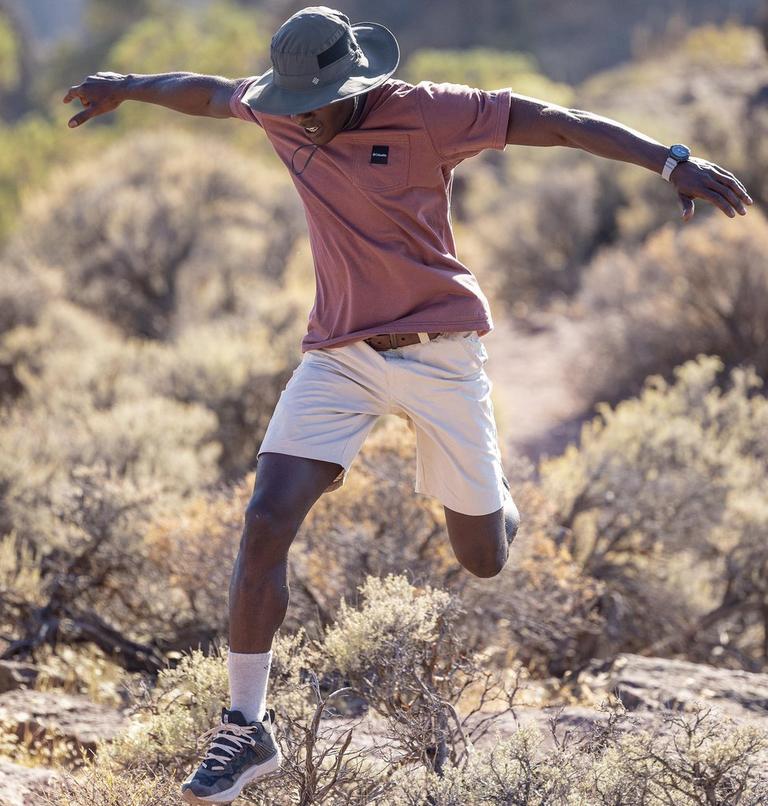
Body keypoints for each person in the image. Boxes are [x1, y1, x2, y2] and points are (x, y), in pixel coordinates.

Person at [64, 6, 753, 804]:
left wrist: (669, 162)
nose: (304, 118)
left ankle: (495, 501)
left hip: (440, 353)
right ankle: (246, 726)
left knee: (482, 558)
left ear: (354, 85)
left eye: (318, 103)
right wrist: (126, 86)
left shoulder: (429, 112)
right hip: (340, 356)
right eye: (294, 103)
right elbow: (209, 92)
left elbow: (558, 122)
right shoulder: (280, 107)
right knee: (264, 520)